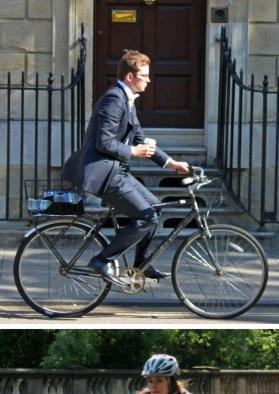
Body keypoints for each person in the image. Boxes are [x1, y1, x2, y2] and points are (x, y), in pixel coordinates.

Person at [61, 49, 191, 285]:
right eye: (145, 75)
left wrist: (172, 163)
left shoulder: (127, 100)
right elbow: (104, 142)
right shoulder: (114, 100)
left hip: (116, 171)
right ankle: (101, 261)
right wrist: (133, 151)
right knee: (146, 217)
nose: (149, 80)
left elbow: (141, 138)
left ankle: (141, 265)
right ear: (130, 76)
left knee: (154, 208)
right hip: (103, 173)